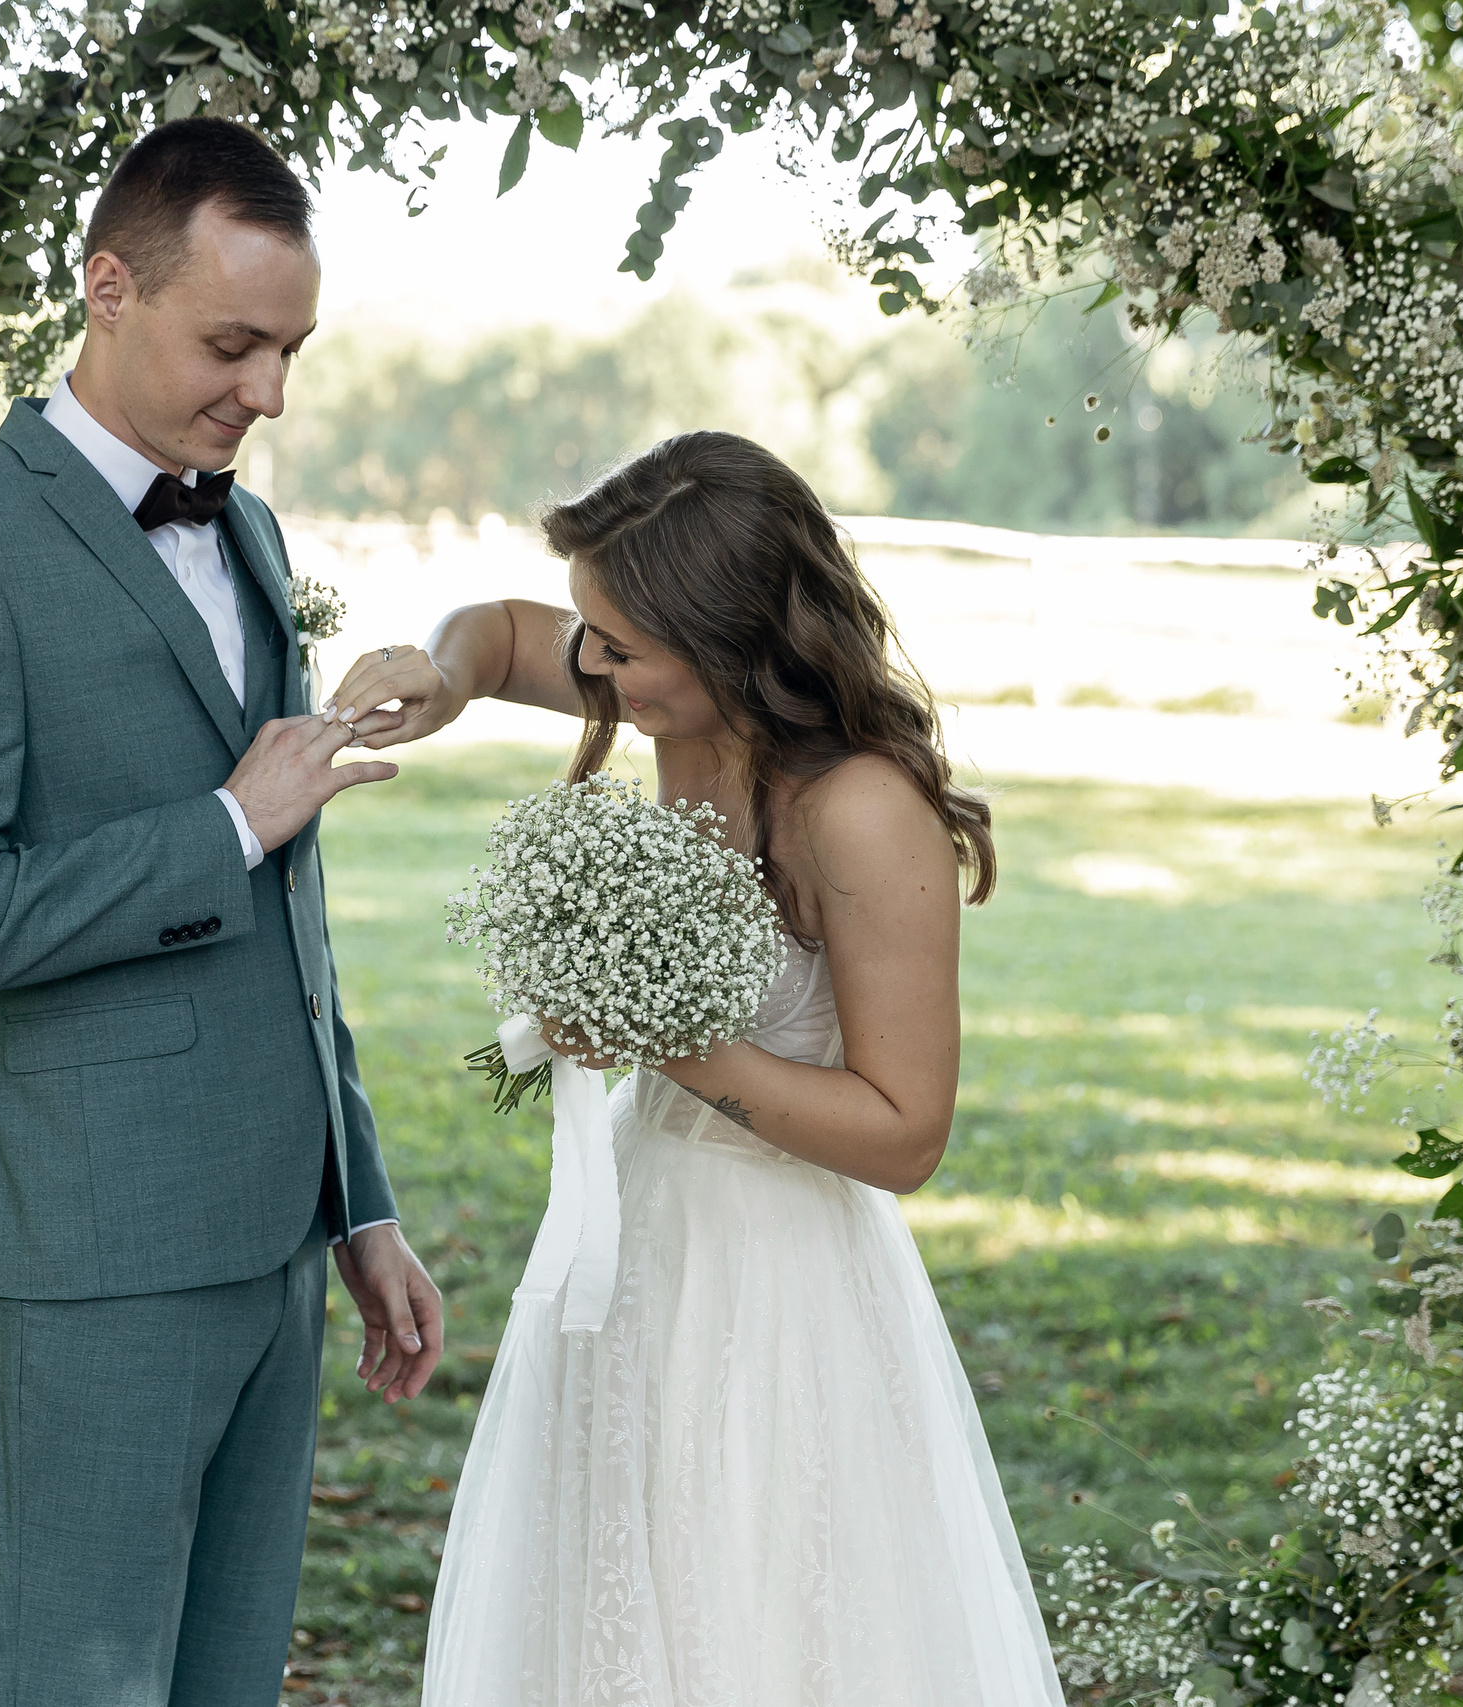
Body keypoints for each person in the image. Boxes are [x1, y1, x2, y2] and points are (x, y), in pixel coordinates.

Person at [0, 117, 443, 1706]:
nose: (270, 393)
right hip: (92, 1253)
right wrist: (224, 822)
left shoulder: (240, 522)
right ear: (108, 287)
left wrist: (357, 1197)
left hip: (277, 1241)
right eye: (233, 343)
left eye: (293, 349)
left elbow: (290, 916)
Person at [326, 432, 1063, 1704]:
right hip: (640, 1234)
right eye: (591, 635)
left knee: (754, 1604)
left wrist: (666, 1036)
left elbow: (905, 1134)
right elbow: (499, 635)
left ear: (727, 645)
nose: (590, 665)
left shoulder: (856, 810)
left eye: (617, 646)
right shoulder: (664, 690)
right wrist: (444, 680)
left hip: (776, 1278)